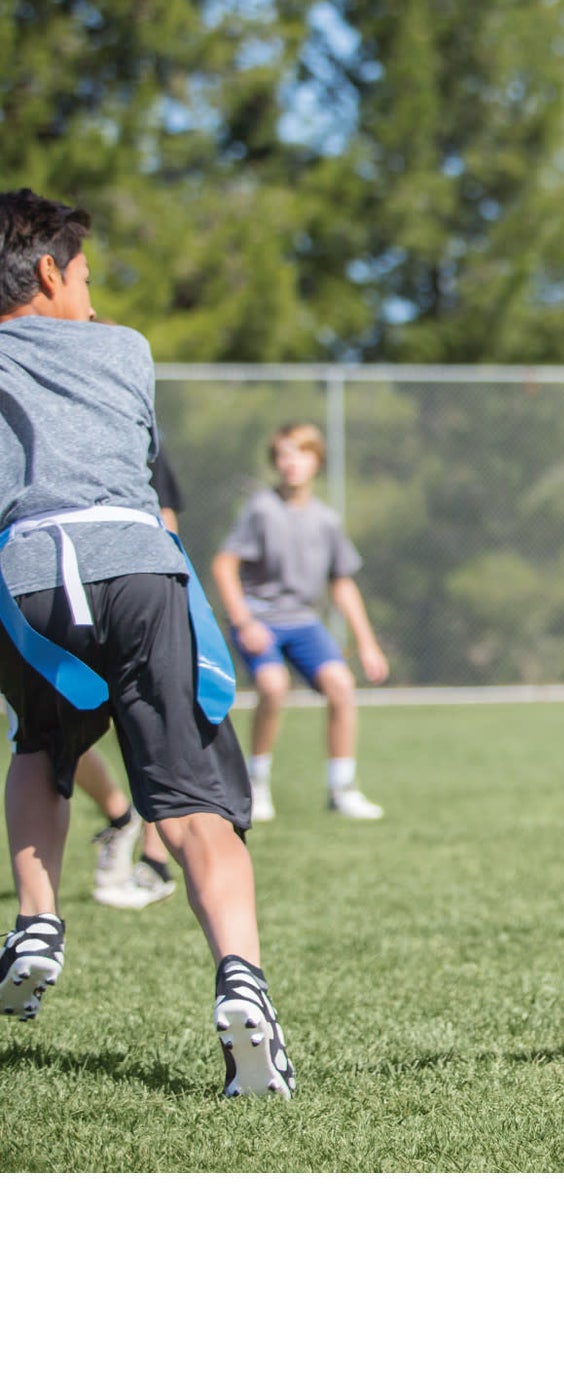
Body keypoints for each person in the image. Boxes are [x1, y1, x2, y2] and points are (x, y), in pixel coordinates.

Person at [0, 188, 293, 1095]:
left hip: (26, 573)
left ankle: (39, 920)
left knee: (42, 745)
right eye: (84, 275)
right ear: (50, 271)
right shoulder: (125, 349)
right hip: (133, 560)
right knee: (196, 794)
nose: (92, 293)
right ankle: (240, 981)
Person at [210, 422, 389, 821]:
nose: (291, 463)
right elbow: (224, 565)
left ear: (317, 460)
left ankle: (341, 788)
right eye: (283, 455)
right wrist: (243, 621)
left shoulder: (326, 520)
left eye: (301, 453)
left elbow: (341, 583)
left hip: (303, 622)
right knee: (274, 687)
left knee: (342, 686)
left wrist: (367, 642)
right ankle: (255, 785)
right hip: (261, 619)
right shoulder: (261, 509)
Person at [75, 444, 185, 908]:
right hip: (56, 591)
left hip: (133, 593)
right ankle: (121, 818)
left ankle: (154, 861)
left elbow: (167, 522)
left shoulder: (141, 440)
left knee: (143, 726)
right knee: (54, 736)